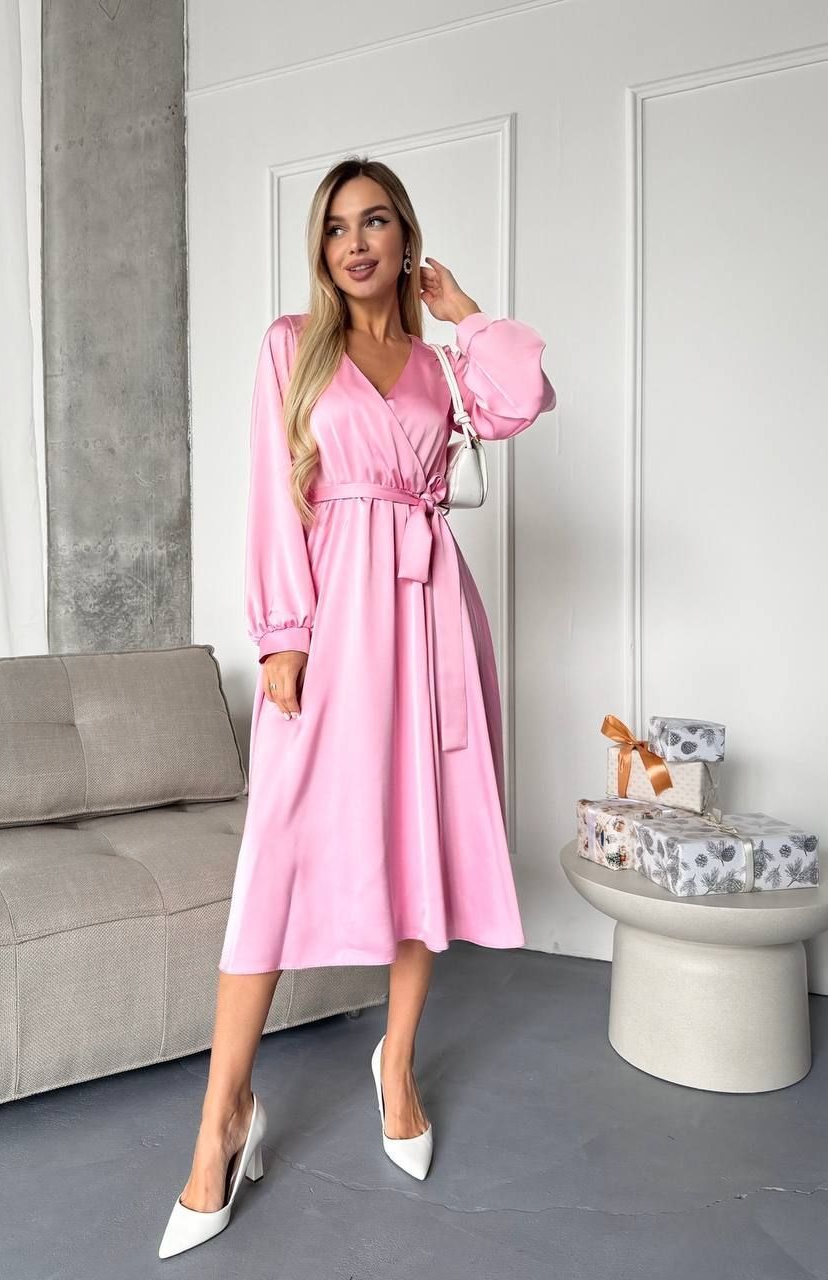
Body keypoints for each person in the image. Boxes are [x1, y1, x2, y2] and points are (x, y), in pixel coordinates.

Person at [158, 156, 557, 1258]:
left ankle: (398, 1064)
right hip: (331, 618)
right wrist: (282, 636)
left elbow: (519, 398)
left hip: (430, 624)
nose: (355, 242)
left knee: (422, 838)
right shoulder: (292, 344)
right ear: (321, 247)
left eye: (375, 221)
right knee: (276, 859)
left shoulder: (438, 366)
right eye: (337, 227)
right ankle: (224, 1115)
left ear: (405, 238)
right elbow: (269, 494)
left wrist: (464, 310)